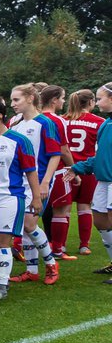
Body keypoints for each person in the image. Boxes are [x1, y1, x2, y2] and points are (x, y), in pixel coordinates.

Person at [0, 94, 45, 302]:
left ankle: (1, 286)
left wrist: (36, 197)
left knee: (1, 241)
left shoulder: (19, 140)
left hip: (9, 196)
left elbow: (31, 171)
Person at [7, 83, 62, 285]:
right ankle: (32, 270)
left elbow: (55, 155)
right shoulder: (16, 124)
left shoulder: (45, 123)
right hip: (19, 182)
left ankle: (51, 263)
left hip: (39, 180)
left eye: (16, 99)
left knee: (29, 223)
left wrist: (46, 182)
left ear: (30, 98)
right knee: (24, 226)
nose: (12, 104)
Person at [70, 83, 112, 282]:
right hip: (103, 180)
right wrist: (78, 167)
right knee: (101, 221)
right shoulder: (105, 124)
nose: (98, 102)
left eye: (101, 98)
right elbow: (100, 155)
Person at [37, 85, 77, 259]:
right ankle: (58, 250)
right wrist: (75, 169)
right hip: (57, 171)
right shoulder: (57, 120)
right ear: (54, 100)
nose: (63, 101)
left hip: (34, 173)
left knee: (32, 214)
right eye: (62, 98)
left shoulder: (32, 119)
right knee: (61, 210)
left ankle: (25, 250)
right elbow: (64, 150)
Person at [64, 89, 102, 254]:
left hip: (65, 169)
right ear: (91, 102)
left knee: (63, 209)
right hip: (88, 170)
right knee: (85, 207)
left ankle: (60, 245)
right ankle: (84, 245)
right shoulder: (100, 122)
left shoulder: (62, 120)